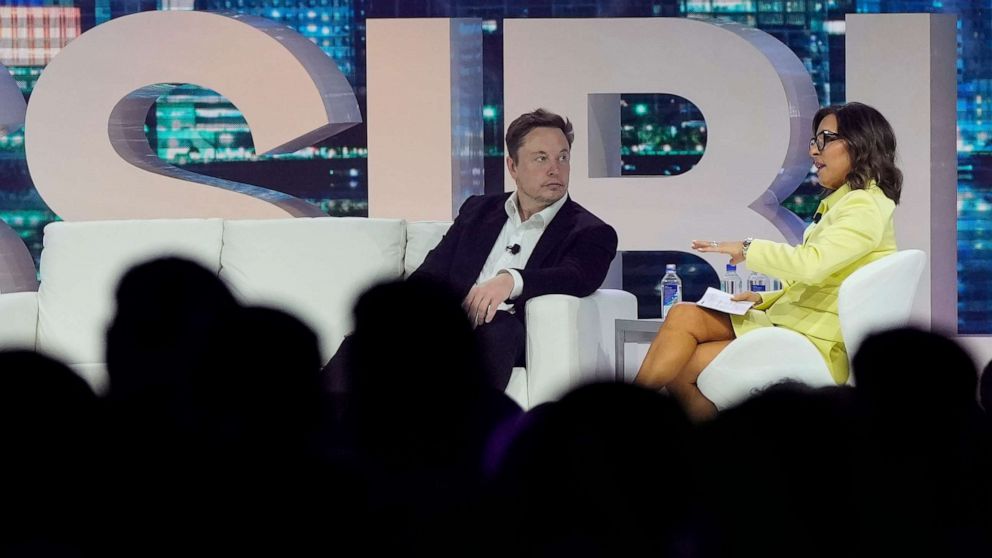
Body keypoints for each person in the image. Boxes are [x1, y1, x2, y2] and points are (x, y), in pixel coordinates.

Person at [635, 102, 902, 420]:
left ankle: (619, 415)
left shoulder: (864, 206)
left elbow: (811, 264)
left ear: (861, 142)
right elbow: (821, 280)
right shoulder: (848, 202)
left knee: (681, 366)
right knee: (682, 319)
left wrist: (748, 248)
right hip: (793, 324)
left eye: (824, 139)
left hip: (812, 340)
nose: (814, 152)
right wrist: (764, 298)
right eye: (814, 141)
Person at [405, 108, 618, 390]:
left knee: (499, 329)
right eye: (541, 158)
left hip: (506, 336)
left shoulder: (590, 231)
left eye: (563, 157)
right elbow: (432, 272)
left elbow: (576, 276)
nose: (555, 168)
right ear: (512, 166)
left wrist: (511, 280)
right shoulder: (478, 211)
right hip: (447, 328)